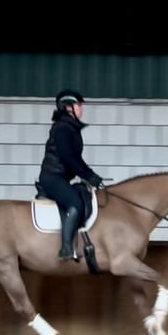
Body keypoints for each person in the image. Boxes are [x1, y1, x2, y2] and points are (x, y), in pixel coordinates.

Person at [37, 89, 105, 261]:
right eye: (78, 105)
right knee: (75, 203)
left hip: (61, 177)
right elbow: (68, 158)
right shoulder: (62, 128)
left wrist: (92, 175)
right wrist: (88, 175)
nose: (81, 108)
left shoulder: (70, 128)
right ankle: (66, 248)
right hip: (52, 177)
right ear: (67, 107)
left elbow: (76, 159)